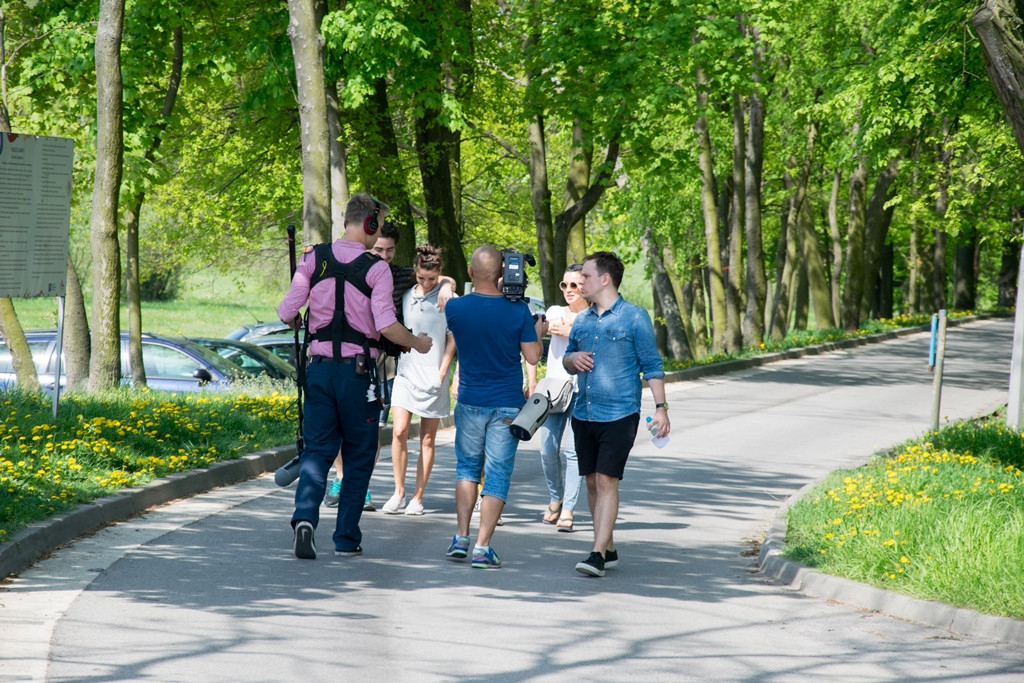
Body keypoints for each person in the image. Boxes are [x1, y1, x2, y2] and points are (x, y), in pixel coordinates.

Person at [278, 194, 432, 560]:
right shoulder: (376, 270)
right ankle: (345, 537)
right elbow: (386, 326)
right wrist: (417, 343)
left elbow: (287, 309)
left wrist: (297, 319)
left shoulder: (313, 258)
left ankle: (304, 520)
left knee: (317, 450)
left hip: (318, 372)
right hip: (357, 375)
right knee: (359, 455)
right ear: (370, 224)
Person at [322, 221, 455, 511]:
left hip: (385, 361)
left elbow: (433, 276)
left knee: (372, 428)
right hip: (346, 353)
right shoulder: (350, 265)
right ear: (369, 241)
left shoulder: (399, 275)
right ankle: (341, 478)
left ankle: (362, 488)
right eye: (379, 248)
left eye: (390, 250)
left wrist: (448, 285)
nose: (384, 255)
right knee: (340, 423)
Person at [563, 251, 670, 577]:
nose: (580, 282)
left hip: (620, 413)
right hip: (584, 413)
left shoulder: (635, 318)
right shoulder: (581, 320)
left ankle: (596, 553)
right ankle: (607, 547)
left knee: (607, 479)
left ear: (605, 279)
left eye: (586, 276)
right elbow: (567, 358)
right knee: (592, 482)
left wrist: (661, 408)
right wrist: (574, 359)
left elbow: (652, 366)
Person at [443, 245, 547, 568]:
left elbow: (449, 294)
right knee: (498, 475)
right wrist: (539, 332)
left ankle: (461, 537)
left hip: (470, 401)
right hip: (506, 405)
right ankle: (483, 547)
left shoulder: (456, 309)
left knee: (467, 469)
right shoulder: (517, 312)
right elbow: (532, 357)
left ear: (471, 273)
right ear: (502, 273)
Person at [382, 245, 457, 516]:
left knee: (427, 439)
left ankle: (417, 497)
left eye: (432, 279)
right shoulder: (405, 295)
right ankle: (398, 493)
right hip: (407, 372)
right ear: (415, 271)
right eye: (422, 277)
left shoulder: (449, 297)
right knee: (399, 431)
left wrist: (443, 372)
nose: (426, 283)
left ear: (439, 274)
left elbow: (453, 337)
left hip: (434, 373)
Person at [537, 263, 587, 531]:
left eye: (574, 285)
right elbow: (551, 325)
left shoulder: (593, 316)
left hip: (581, 389)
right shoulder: (555, 311)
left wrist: (572, 330)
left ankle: (568, 508)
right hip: (554, 389)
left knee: (573, 452)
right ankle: (555, 498)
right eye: (564, 285)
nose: (568, 290)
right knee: (546, 448)